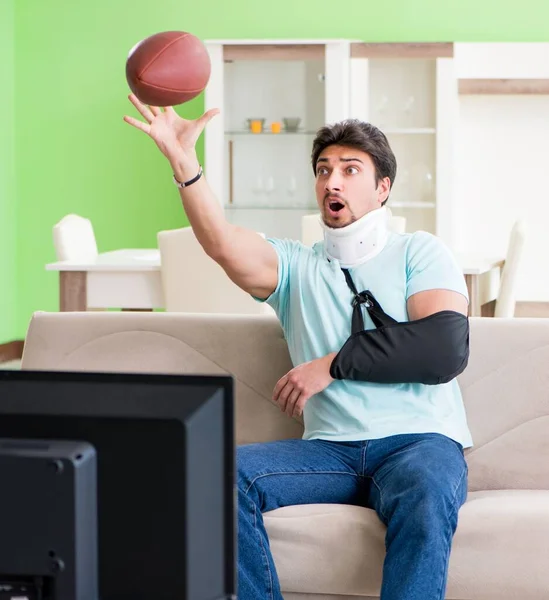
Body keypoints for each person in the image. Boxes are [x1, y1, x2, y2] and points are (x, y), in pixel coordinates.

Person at [124, 94, 473, 600]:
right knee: (213, 473)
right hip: (328, 452)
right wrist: (186, 165)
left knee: (425, 494)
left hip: (419, 442)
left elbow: (443, 348)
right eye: (324, 169)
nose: (332, 180)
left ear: (383, 188)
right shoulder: (295, 267)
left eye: (351, 170)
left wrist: (333, 365)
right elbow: (220, 241)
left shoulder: (418, 251)